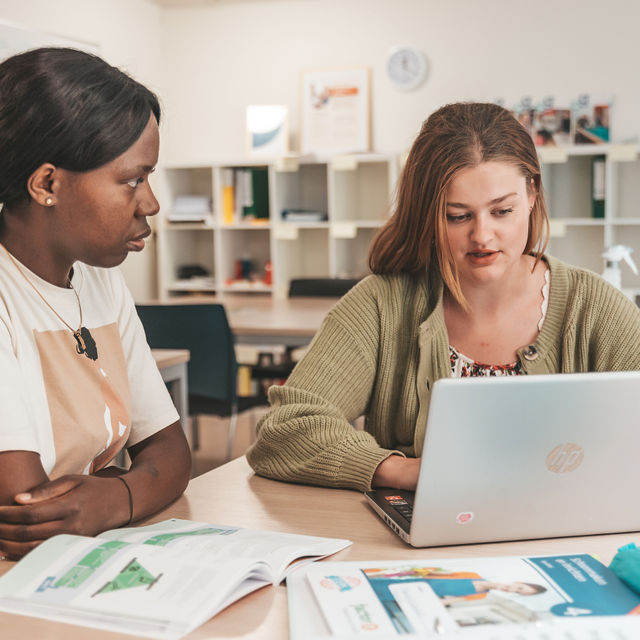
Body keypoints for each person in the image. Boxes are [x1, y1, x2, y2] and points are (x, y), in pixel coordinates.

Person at [247, 101, 640, 492]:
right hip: (422, 546)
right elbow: (284, 430)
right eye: (458, 216)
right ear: (427, 212)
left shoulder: (592, 309)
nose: (482, 236)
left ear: (532, 194)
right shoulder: (383, 306)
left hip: (563, 538)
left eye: (502, 211)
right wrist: (399, 470)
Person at [0, 48, 191, 558]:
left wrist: (116, 495)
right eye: (133, 178)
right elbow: (25, 511)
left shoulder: (98, 281)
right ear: (47, 184)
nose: (151, 203)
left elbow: (171, 452)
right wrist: (129, 483)